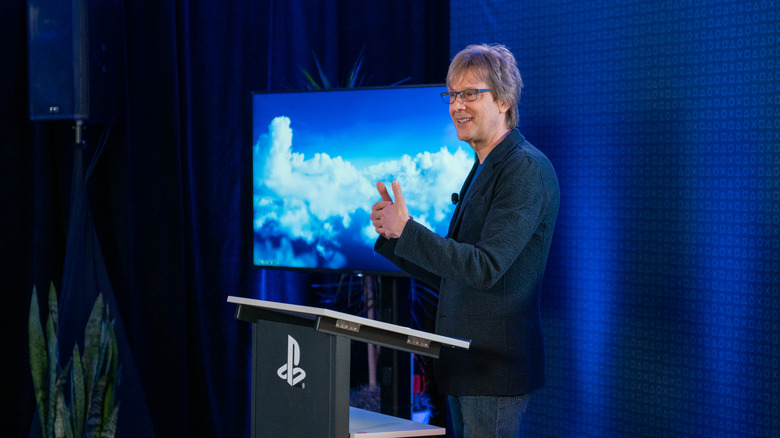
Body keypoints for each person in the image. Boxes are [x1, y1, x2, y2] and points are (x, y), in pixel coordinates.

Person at [370, 43, 560, 437]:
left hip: (493, 370)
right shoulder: (485, 165)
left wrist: (409, 230)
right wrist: (393, 237)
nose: (457, 105)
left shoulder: (524, 168)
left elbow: (485, 267)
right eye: (453, 95)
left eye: (471, 94)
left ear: (505, 99)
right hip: (466, 367)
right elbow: (453, 275)